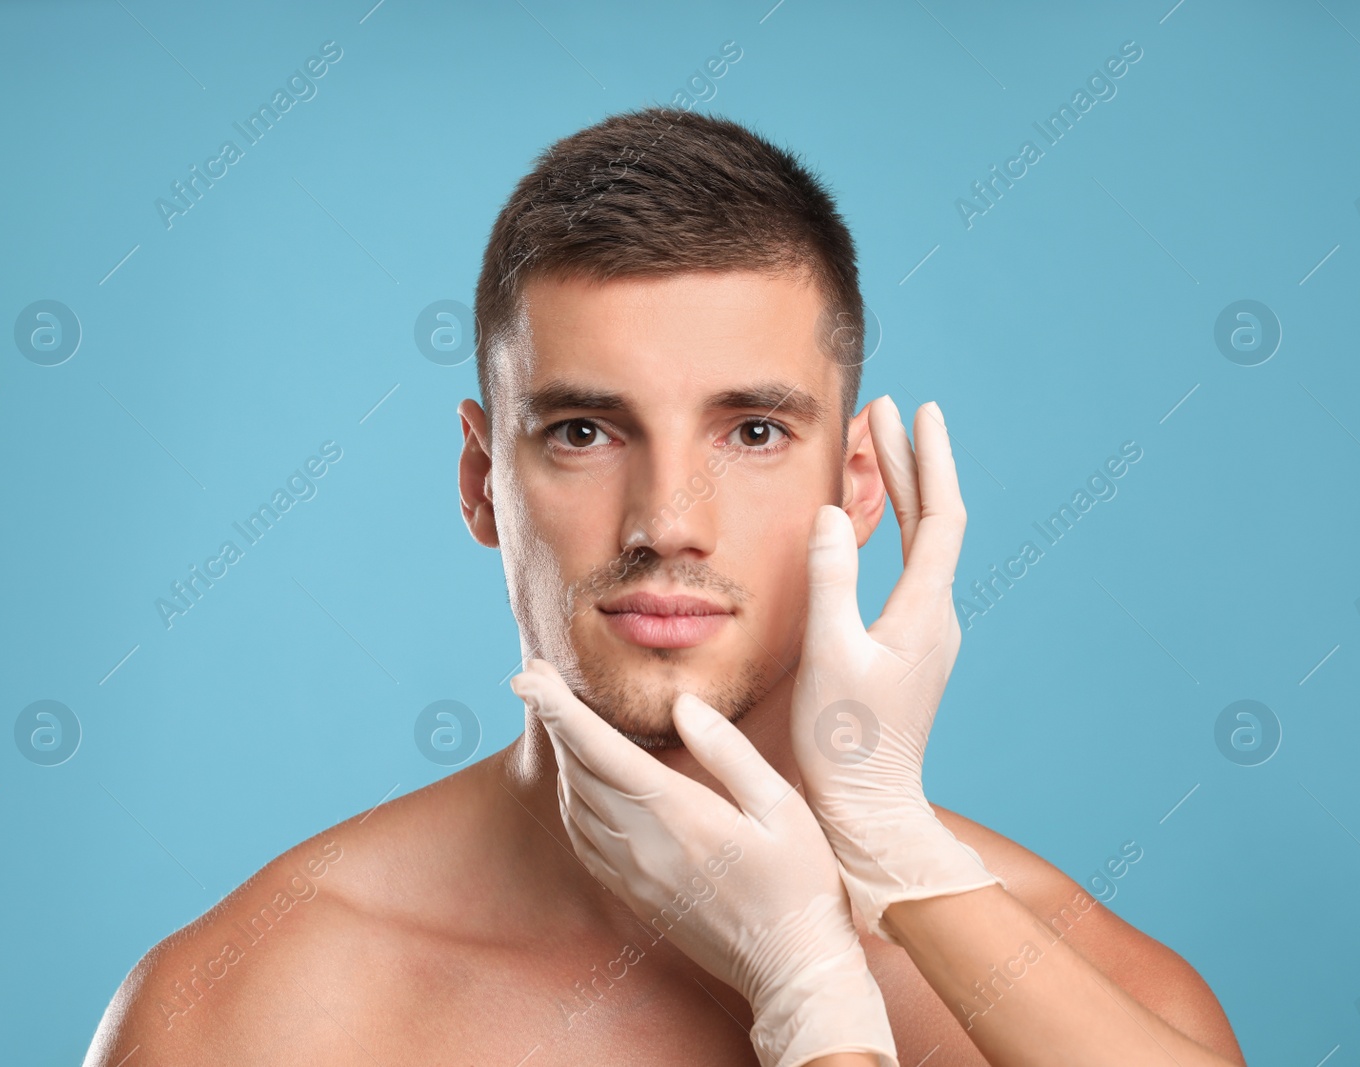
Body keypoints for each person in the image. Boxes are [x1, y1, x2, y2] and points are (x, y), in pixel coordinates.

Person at [83, 107, 1245, 1066]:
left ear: (858, 486)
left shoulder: (1097, 1009)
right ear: (484, 481)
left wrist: (873, 894)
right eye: (585, 429)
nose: (667, 521)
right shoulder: (251, 1014)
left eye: (750, 429)